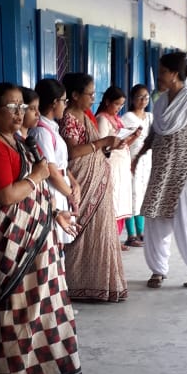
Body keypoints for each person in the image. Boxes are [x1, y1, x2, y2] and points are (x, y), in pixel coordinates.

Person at [0, 82, 82, 374]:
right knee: (15, 307)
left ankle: (43, 371)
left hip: (35, 237)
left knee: (41, 306)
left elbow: (35, 191)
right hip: (8, 241)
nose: (19, 113)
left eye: (22, 106)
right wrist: (37, 177)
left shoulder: (18, 141)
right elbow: (6, 196)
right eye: (11, 107)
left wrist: (53, 213)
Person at [133, 52, 187, 290]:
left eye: (162, 72)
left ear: (174, 74)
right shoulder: (161, 101)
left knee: (186, 222)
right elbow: (154, 133)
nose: (159, 77)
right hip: (161, 171)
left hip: (184, 172)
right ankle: (158, 269)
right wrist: (139, 155)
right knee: (154, 219)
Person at [59, 73, 128, 302]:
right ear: (75, 95)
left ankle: (99, 284)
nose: (93, 98)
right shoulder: (68, 118)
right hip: (82, 182)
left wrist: (108, 147)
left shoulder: (86, 116)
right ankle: (78, 284)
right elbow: (72, 152)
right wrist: (104, 142)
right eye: (89, 94)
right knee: (81, 234)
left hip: (98, 181)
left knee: (100, 232)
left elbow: (93, 148)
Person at [30, 78, 80, 246]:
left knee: (61, 240)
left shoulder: (52, 127)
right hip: (54, 190)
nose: (65, 105)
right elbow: (51, 171)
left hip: (62, 187)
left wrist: (74, 184)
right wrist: (70, 195)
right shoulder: (41, 132)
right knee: (53, 241)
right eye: (64, 101)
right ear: (54, 102)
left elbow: (61, 164)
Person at [95, 86, 137, 249]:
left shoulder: (117, 119)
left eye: (122, 105)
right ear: (107, 102)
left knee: (120, 202)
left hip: (121, 167)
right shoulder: (102, 119)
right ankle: (109, 241)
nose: (119, 108)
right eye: (117, 104)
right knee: (112, 203)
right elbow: (101, 146)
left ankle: (115, 240)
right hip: (111, 166)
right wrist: (115, 144)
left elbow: (122, 145)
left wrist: (133, 137)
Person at [122, 84, 153, 246]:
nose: (143, 100)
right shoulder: (127, 118)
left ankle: (141, 231)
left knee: (142, 196)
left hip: (147, 161)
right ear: (133, 99)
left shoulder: (150, 117)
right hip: (131, 159)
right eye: (140, 97)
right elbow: (122, 140)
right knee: (131, 195)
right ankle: (131, 234)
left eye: (146, 97)